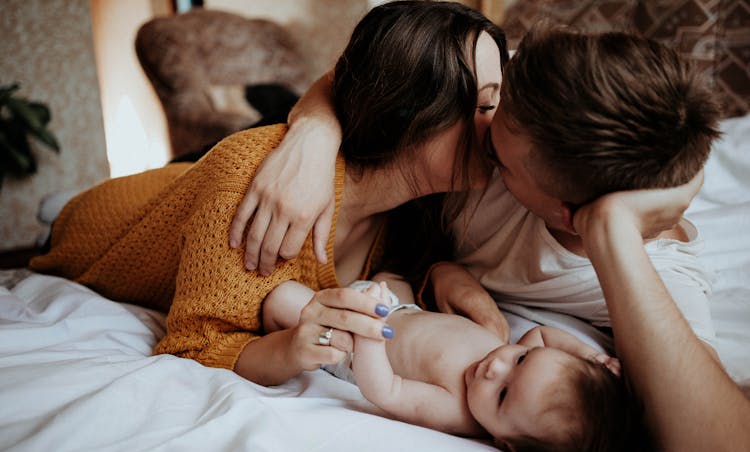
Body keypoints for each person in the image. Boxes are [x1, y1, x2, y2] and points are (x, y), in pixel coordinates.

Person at [229, 22, 750, 452]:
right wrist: (313, 131)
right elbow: (369, 68)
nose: (484, 124)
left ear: (571, 215)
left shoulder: (660, 279)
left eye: (498, 157)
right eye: (490, 102)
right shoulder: (539, 99)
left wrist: (612, 233)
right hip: (348, 167)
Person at [29, 1, 508, 386]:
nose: (501, 123)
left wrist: (444, 275)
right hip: (98, 226)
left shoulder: (419, 205)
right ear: (408, 114)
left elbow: (405, 275)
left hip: (199, 185)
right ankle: (59, 208)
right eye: (485, 104)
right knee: (109, 202)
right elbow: (192, 345)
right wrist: (288, 350)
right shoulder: (251, 180)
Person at [263, 275, 635, 452]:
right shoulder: (509, 355)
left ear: (507, 444)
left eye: (502, 395)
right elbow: (543, 338)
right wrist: (591, 356)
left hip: (354, 344)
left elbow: (386, 390)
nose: (496, 367)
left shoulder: (456, 410)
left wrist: (371, 337)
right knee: (392, 272)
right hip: (399, 305)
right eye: (521, 359)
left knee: (282, 300)